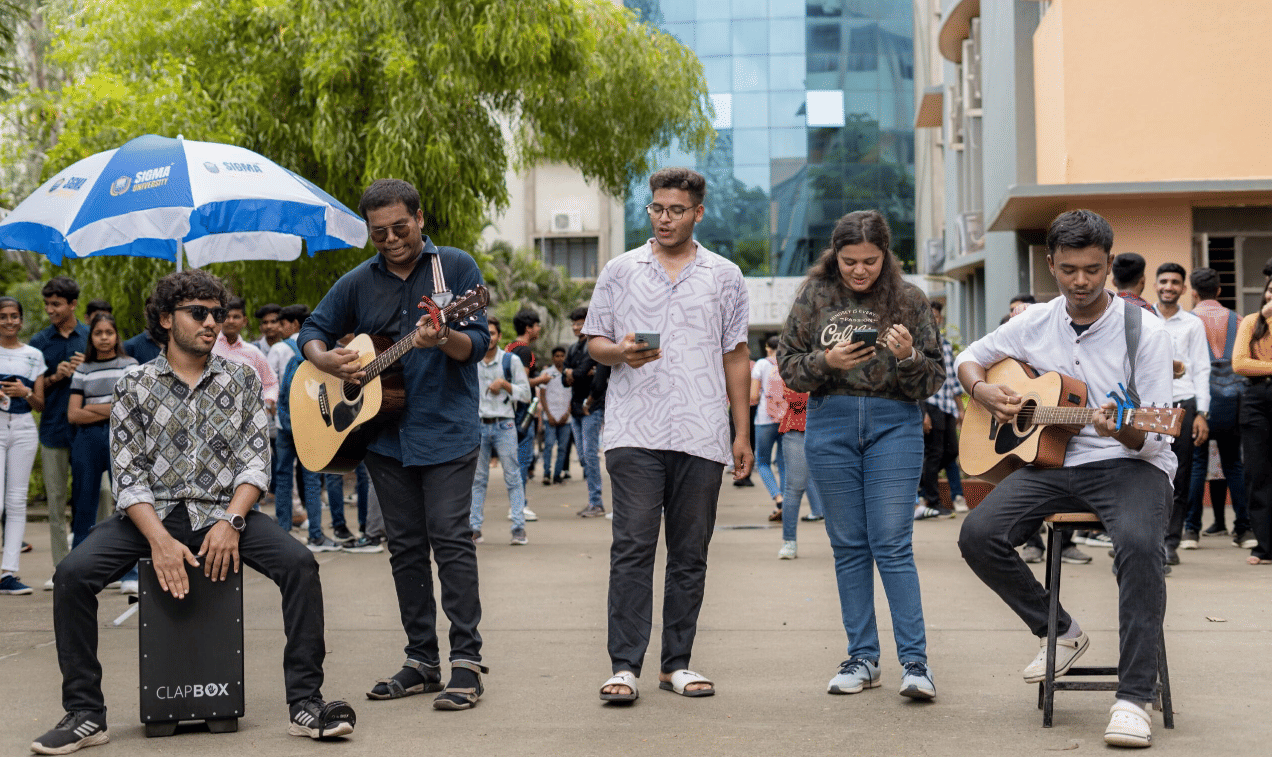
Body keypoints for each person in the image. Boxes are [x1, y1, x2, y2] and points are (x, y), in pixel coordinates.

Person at [30, 270, 356, 754]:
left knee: (300, 565)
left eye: (217, 314)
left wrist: (232, 521)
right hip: (148, 515)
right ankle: (85, 713)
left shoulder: (242, 377)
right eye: (198, 313)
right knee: (73, 575)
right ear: (166, 319)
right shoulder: (133, 385)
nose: (212, 323)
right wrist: (159, 540)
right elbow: (128, 475)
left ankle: (306, 702)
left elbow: (254, 459)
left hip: (223, 513)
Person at [956, 210, 1175, 748]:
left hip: (1131, 465)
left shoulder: (1143, 331)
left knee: (1141, 547)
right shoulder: (1035, 321)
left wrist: (1120, 429)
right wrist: (983, 391)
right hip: (1055, 465)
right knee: (978, 535)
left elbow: (1156, 435)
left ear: (1109, 267)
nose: (1082, 282)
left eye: (1094, 270)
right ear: (1051, 263)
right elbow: (969, 359)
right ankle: (1058, 630)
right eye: (1070, 269)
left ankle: (1133, 697)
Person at [299, 178, 492, 710]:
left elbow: (476, 342)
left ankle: (467, 662)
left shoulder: (455, 269)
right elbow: (313, 329)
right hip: (383, 438)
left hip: (447, 431)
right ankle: (421, 661)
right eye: (378, 232)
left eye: (400, 228)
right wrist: (322, 359)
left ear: (420, 218)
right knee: (405, 549)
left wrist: (443, 336)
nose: (391, 239)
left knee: (451, 541)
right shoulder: (359, 282)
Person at [592, 167, 752, 703]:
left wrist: (741, 432)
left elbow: (735, 354)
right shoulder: (620, 270)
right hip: (633, 428)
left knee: (690, 553)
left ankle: (676, 663)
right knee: (632, 546)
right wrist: (620, 352)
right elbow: (595, 340)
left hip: (702, 431)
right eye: (657, 209)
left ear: (698, 212)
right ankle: (624, 666)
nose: (665, 218)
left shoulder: (725, 274)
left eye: (676, 210)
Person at [778, 209, 943, 701]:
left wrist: (911, 355)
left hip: (896, 424)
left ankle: (916, 664)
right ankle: (863, 658)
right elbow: (788, 367)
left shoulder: (909, 298)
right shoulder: (815, 295)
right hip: (829, 422)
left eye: (870, 261)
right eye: (850, 261)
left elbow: (933, 378)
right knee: (848, 544)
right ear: (836, 253)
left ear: (885, 255)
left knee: (892, 543)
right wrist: (825, 361)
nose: (859, 270)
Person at [1184, 268, 1255, 549]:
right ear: (1220, 291)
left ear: (1193, 292)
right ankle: (1244, 529)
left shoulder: (1188, 321)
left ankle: (1191, 530)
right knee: (1233, 465)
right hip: (1232, 400)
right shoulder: (1238, 320)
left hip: (1199, 400)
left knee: (1197, 465)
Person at [30, 276, 88, 584]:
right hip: (53, 429)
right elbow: (32, 396)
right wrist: (56, 376)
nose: (50, 310)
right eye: (47, 304)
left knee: (98, 495)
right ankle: (60, 569)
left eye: (56, 304)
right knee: (55, 500)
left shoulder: (92, 337)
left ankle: (91, 562)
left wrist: (85, 369)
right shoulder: (39, 343)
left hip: (88, 431)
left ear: (73, 304)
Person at [66, 312, 138, 551]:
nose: (104, 338)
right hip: (87, 440)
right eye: (98, 333)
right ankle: (79, 561)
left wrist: (91, 407)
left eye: (109, 332)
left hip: (122, 438)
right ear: (91, 337)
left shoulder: (129, 366)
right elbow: (74, 414)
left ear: (116, 336)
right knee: (84, 501)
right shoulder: (83, 369)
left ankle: (130, 570)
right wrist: (111, 408)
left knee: (126, 502)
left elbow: (130, 409)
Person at [1153, 263, 1211, 562]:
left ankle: (1170, 543)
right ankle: (1145, 539)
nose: (1169, 287)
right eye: (1164, 281)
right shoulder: (1143, 319)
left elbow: (1202, 369)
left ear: (1184, 289)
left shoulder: (1192, 324)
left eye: (1175, 282)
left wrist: (1202, 412)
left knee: (1181, 474)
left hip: (1184, 405)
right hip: (1150, 407)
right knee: (1146, 471)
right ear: (1155, 285)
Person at [270, 305, 332, 551]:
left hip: (284, 424)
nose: (280, 328)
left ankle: (284, 531)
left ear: (295, 324)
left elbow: (271, 385)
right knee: (312, 478)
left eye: (284, 323)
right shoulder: (320, 346)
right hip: (312, 424)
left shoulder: (278, 348)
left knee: (283, 476)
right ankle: (316, 534)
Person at [469, 316, 531, 545]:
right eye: (486, 333)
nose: (490, 338)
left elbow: (526, 394)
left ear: (499, 336)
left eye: (493, 333)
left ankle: (518, 528)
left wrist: (504, 384)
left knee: (513, 477)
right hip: (479, 425)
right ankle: (474, 528)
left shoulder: (510, 361)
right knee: (477, 479)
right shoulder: (472, 360)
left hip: (505, 424)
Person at [0, 297, 46, 596]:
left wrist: (25, 391)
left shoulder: (34, 355)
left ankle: (8, 573)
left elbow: (41, 404)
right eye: (3, 316)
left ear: (21, 319)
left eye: (14, 316)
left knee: (16, 502)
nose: (9, 322)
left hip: (24, 428)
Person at [1234, 261, 1272, 565]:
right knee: (1257, 473)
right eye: (1270, 292)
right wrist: (1265, 319)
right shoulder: (1250, 322)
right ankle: (1264, 545)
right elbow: (1240, 364)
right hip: (1256, 400)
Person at [770, 369, 824, 559]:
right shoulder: (793, 363)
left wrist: (814, 393)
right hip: (797, 430)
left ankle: (851, 543)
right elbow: (798, 401)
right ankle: (789, 541)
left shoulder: (833, 353)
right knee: (794, 487)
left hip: (831, 429)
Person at [916, 300, 962, 520]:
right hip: (931, 404)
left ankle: (922, 482)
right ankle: (931, 501)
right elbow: (917, 381)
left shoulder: (944, 344)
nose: (934, 319)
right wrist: (922, 412)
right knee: (934, 454)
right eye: (930, 316)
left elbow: (952, 379)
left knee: (951, 451)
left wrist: (961, 409)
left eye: (937, 316)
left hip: (947, 406)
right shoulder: (920, 344)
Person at [562, 305, 609, 518]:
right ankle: (594, 499)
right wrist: (576, 372)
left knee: (590, 456)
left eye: (580, 323)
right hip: (575, 408)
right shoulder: (572, 349)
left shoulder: (594, 346)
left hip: (591, 407)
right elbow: (566, 376)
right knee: (582, 456)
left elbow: (581, 372)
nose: (576, 327)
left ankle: (596, 502)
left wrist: (577, 372)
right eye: (574, 323)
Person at [506, 309, 547, 520]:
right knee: (523, 459)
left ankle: (517, 504)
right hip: (522, 410)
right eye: (537, 325)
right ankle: (519, 506)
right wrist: (543, 380)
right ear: (528, 328)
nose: (539, 329)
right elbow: (522, 383)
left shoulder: (509, 347)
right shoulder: (523, 351)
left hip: (509, 409)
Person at [750, 336, 785, 519]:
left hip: (765, 418)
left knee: (762, 462)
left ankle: (779, 499)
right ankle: (787, 503)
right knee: (783, 463)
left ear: (767, 347)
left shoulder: (761, 365)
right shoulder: (788, 363)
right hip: (786, 419)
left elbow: (754, 396)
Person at [539, 345, 573, 486]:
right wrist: (548, 414)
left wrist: (567, 413)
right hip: (550, 416)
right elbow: (542, 395)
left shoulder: (570, 373)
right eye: (557, 356)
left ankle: (557, 474)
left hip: (566, 417)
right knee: (548, 445)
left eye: (562, 356)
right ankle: (547, 473)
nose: (559, 358)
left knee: (563, 448)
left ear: (565, 357)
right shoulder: (547, 373)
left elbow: (573, 395)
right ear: (553, 358)